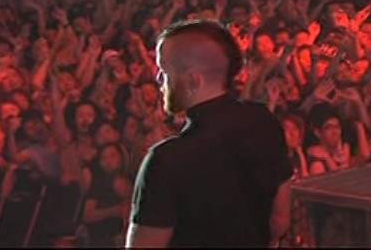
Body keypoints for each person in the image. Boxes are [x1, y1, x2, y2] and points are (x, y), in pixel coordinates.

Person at [126, 20, 293, 248]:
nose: (158, 80)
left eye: (165, 72)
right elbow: (280, 221)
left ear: (193, 80)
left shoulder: (166, 159)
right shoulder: (264, 121)